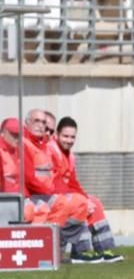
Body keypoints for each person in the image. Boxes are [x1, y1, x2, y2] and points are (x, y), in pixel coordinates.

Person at [21, 109, 100, 262]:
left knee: (82, 203)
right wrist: (54, 192)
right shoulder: (27, 144)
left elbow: (62, 178)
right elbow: (30, 178)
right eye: (36, 121)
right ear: (27, 123)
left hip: (45, 194)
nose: (41, 126)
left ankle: (58, 248)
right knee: (63, 203)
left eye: (44, 122)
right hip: (32, 195)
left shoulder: (44, 146)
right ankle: (45, 250)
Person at [51, 117, 124, 262]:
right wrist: (80, 199)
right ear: (57, 134)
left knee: (93, 202)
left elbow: (73, 182)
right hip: (53, 197)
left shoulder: (69, 155)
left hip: (65, 195)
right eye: (65, 136)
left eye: (72, 137)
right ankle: (80, 251)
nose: (69, 140)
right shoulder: (51, 151)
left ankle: (103, 249)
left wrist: (85, 198)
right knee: (80, 203)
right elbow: (54, 181)